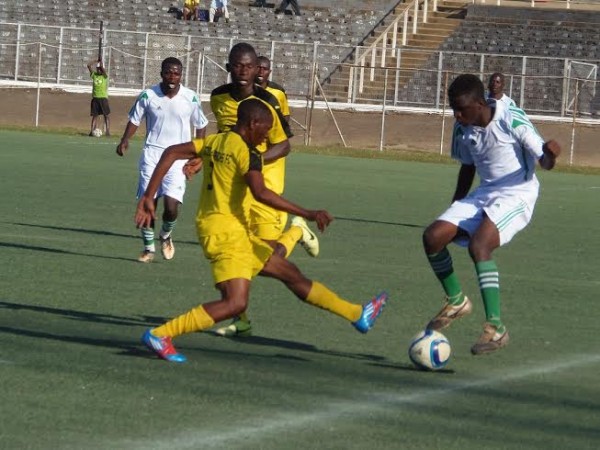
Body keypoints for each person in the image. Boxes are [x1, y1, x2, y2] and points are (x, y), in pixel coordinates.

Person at [136, 99, 388, 363]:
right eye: (265, 131)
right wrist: (308, 213)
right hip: (227, 234)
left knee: (290, 273)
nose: (265, 137)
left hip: (227, 230)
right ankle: (161, 334)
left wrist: (150, 196)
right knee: (235, 303)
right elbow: (261, 193)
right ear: (253, 124)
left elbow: (171, 152)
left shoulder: (216, 141)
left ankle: (357, 314)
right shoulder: (247, 152)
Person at [422, 73, 560, 355]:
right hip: (484, 193)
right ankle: (457, 300)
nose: (457, 115)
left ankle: (495, 327)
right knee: (433, 236)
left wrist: (551, 154)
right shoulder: (463, 128)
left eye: (462, 109)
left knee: (479, 245)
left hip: (517, 194)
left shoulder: (511, 119)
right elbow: (468, 167)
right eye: (453, 109)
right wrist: (454, 209)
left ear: (481, 103)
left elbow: (544, 161)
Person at [187, 43, 313, 337]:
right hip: (229, 184)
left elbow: (284, 144)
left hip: (265, 182)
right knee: (238, 253)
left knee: (266, 257)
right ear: (228, 66)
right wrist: (201, 157)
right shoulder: (218, 98)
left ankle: (296, 231)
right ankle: (240, 317)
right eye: (237, 65)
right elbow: (224, 137)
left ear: (258, 69)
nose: (243, 72)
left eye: (250, 66)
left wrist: (252, 161)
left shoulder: (271, 99)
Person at [116, 57, 208, 263]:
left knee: (171, 206)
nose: (172, 77)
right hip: (152, 155)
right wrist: (125, 140)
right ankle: (148, 249)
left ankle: (166, 235)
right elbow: (134, 119)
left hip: (179, 157)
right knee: (150, 202)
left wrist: (198, 152)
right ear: (161, 73)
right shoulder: (148, 95)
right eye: (168, 72)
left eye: (176, 73)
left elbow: (201, 124)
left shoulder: (190, 97)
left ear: (181, 75)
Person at [256, 55, 291, 124]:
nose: (261, 71)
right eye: (258, 68)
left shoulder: (278, 91)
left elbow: (285, 115)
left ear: (269, 72)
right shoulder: (244, 89)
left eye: (265, 69)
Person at [87, 59, 111, 136]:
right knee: (95, 116)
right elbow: (88, 65)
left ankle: (107, 131)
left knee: (106, 115)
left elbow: (103, 70)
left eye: (100, 69)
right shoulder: (94, 75)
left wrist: (101, 64)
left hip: (103, 98)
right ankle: (92, 131)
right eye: (97, 69)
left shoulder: (105, 77)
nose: (98, 70)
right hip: (95, 98)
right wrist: (95, 61)